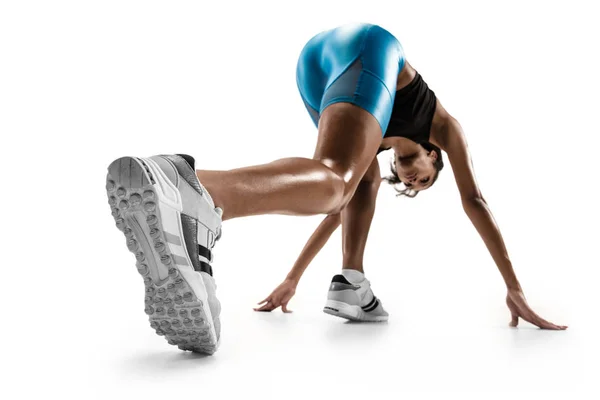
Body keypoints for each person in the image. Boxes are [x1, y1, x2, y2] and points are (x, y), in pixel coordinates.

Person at [105, 22, 566, 355]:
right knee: (340, 179)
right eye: (425, 176)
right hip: (370, 47)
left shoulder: (375, 131)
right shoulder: (445, 127)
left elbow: (334, 214)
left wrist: (292, 279)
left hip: (317, 65)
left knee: (349, 186)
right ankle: (195, 190)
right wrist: (514, 287)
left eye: (416, 185)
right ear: (434, 154)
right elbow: (475, 202)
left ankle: (350, 283)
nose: (414, 179)